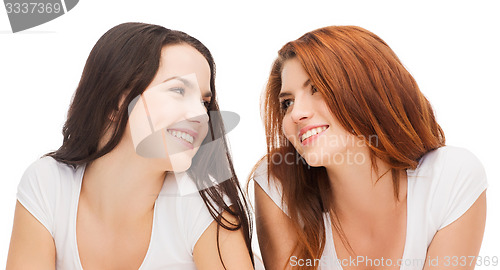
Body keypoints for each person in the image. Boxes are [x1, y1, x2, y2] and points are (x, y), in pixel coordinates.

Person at [7, 22, 254, 270]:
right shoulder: (48, 185)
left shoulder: (203, 204)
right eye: (178, 90)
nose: (201, 115)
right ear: (116, 101)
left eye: (204, 102)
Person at [252, 26, 487, 270]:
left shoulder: (450, 178)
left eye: (317, 88)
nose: (297, 114)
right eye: (287, 103)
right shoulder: (278, 184)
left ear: (370, 90)